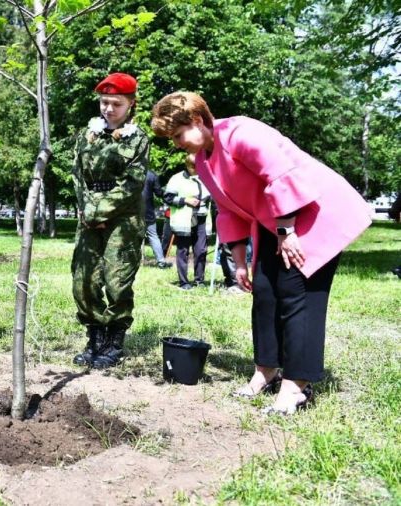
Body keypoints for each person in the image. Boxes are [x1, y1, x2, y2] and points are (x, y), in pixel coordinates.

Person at [151, 91, 371, 414]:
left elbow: (280, 173)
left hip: (311, 213)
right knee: (265, 291)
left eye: (178, 135)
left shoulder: (241, 133)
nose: (176, 143)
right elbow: (228, 211)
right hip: (276, 223)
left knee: (298, 293)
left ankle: (296, 386)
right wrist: (240, 262)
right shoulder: (203, 161)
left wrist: (287, 231)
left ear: (197, 120)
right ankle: (266, 370)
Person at [70, 72, 149, 370]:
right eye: (104, 102)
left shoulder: (138, 139)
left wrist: (99, 213)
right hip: (88, 216)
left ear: (131, 104)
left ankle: (114, 340)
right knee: (84, 280)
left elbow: (132, 184)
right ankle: (95, 335)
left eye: (116, 103)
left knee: (117, 280)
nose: (108, 109)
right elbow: (77, 176)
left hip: (123, 219)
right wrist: (88, 211)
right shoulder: (87, 134)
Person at [163, 153, 211, 290]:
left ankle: (199, 280)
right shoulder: (176, 178)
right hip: (183, 220)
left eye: (199, 167)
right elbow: (167, 198)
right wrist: (185, 200)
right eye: (194, 167)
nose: (196, 170)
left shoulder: (206, 175)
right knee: (183, 251)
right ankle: (184, 282)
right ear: (188, 166)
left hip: (202, 218)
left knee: (201, 250)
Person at [142, 169, 170, 268]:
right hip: (147, 211)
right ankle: (161, 261)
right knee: (153, 236)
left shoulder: (127, 171)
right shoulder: (151, 174)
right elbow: (158, 192)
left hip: (131, 211)